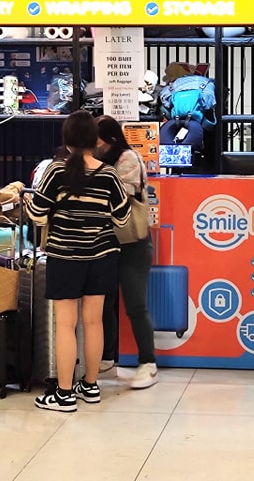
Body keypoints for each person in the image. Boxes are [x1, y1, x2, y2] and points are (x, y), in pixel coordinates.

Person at [26, 111, 131, 412]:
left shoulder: (56, 171)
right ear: (94, 141)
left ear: (68, 139)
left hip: (65, 257)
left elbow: (37, 214)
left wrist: (42, 207)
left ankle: (64, 394)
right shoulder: (109, 175)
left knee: (66, 324)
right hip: (102, 257)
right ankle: (91, 385)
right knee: (94, 322)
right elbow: (122, 218)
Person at [95, 115, 159, 390]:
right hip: (105, 242)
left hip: (133, 243)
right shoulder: (98, 161)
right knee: (103, 303)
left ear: (111, 141)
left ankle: (148, 362)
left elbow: (120, 195)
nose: (94, 148)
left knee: (135, 304)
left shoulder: (128, 158)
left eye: (97, 143)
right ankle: (106, 359)